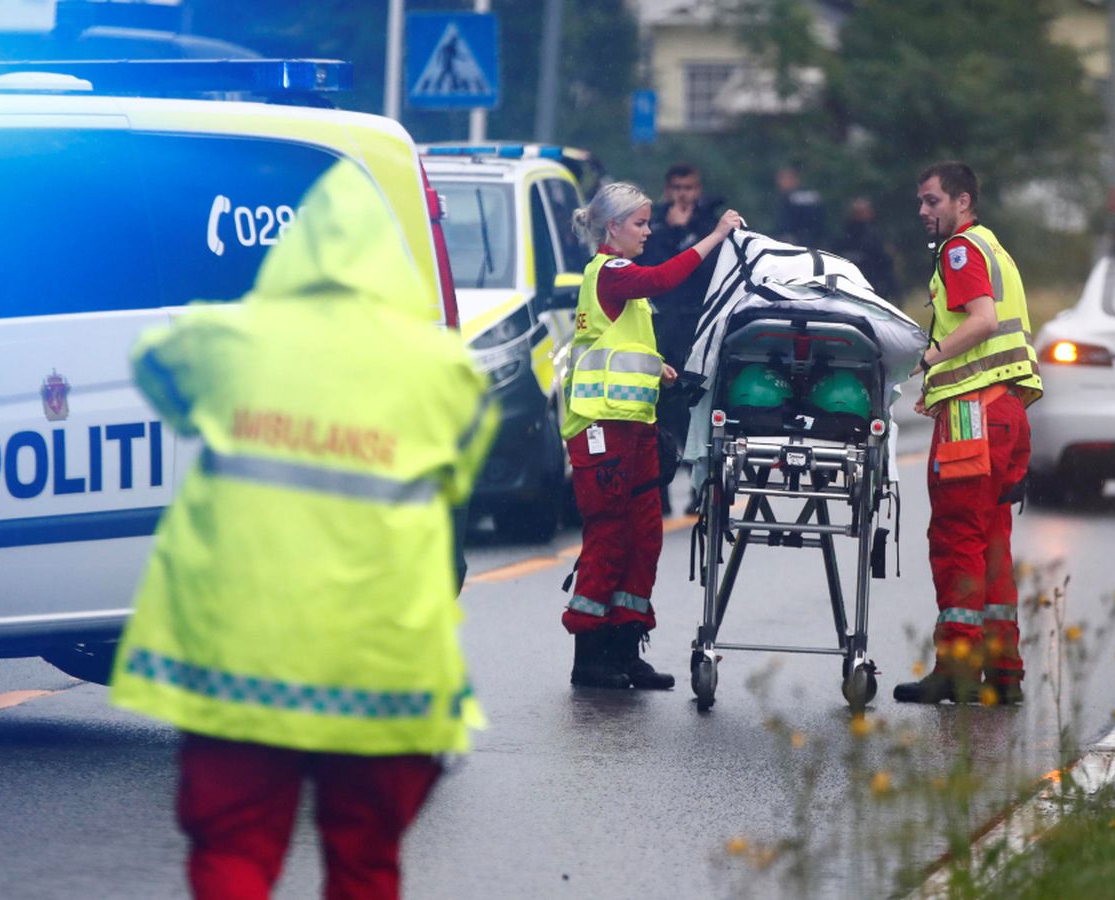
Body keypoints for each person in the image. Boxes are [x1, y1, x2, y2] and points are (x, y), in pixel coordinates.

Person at [106, 159, 498, 898]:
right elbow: (459, 469)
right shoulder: (446, 373)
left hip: (241, 656)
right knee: (365, 864)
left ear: (297, 247)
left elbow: (155, 367)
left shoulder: (227, 339)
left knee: (233, 853)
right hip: (382, 668)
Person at [562, 182, 744, 689]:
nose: (648, 231)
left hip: (635, 426)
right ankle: (590, 655)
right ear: (613, 228)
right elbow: (665, 277)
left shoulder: (621, 284)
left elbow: (617, 347)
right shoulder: (614, 272)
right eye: (640, 224)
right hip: (604, 429)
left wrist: (659, 368)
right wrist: (715, 237)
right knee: (609, 538)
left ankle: (626, 644)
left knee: (644, 538)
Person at [895, 161, 1042, 706]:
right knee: (992, 543)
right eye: (921, 203)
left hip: (974, 415)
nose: (924, 212)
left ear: (961, 202)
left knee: (958, 538)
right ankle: (1003, 671)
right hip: (1007, 412)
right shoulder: (993, 248)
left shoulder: (960, 251)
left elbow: (979, 320)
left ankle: (957, 668)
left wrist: (926, 360)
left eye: (932, 202)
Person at [642, 163, 723, 515]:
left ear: (698, 189)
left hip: (700, 325)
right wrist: (671, 234)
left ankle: (698, 489)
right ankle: (657, 491)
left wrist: (689, 232)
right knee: (658, 411)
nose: (683, 195)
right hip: (662, 327)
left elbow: (711, 270)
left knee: (699, 409)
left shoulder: (711, 224)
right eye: (676, 188)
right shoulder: (652, 225)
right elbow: (651, 272)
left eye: (689, 188)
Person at [833, 196, 898, 299]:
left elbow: (885, 261)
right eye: (857, 212)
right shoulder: (842, 235)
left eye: (863, 212)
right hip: (850, 284)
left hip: (874, 283)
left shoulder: (876, 234)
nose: (860, 216)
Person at [774, 165, 825, 247]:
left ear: (796, 179)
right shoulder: (782, 198)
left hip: (805, 242)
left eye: (786, 178)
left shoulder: (802, 198)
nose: (781, 182)